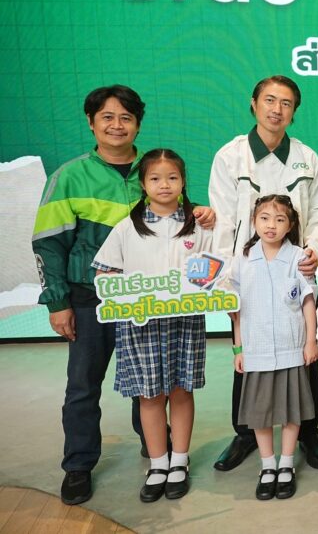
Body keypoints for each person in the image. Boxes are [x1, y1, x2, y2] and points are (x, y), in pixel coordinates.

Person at [32, 85, 214, 506]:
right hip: (90, 298)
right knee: (83, 384)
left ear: (138, 124)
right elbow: (48, 243)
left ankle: (157, 453)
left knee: (151, 380)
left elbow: (181, 227)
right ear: (91, 122)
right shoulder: (69, 176)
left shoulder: (155, 167)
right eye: (107, 117)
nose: (117, 125)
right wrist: (58, 302)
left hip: (157, 304)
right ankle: (79, 465)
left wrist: (205, 212)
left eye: (126, 118)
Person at [208, 75, 318, 471]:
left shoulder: (307, 158)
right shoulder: (231, 156)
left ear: (294, 111)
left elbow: (316, 215)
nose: (277, 109)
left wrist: (312, 251)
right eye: (270, 100)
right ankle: (245, 434)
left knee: (305, 352)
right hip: (248, 273)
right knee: (248, 354)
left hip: (296, 269)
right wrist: (226, 280)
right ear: (254, 103)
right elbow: (223, 220)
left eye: (286, 103)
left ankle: (308, 433)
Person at [91, 149, 213, 502]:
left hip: (185, 321)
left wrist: (203, 284)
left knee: (181, 390)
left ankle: (180, 460)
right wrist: (120, 291)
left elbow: (212, 267)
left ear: (183, 181)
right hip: (140, 323)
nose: (164, 185)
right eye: (155, 178)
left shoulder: (198, 225)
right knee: (149, 395)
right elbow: (105, 273)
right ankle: (158, 463)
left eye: (172, 178)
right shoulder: (127, 227)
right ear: (143, 184)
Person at [227, 194, 318, 500]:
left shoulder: (298, 257)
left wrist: (310, 341)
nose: (271, 225)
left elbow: (307, 302)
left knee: (292, 411)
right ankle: (268, 465)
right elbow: (235, 310)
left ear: (290, 225)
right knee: (260, 413)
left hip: (292, 348)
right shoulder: (242, 259)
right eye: (264, 218)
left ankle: (287, 463)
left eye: (280, 220)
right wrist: (238, 349)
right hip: (256, 349)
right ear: (254, 221)